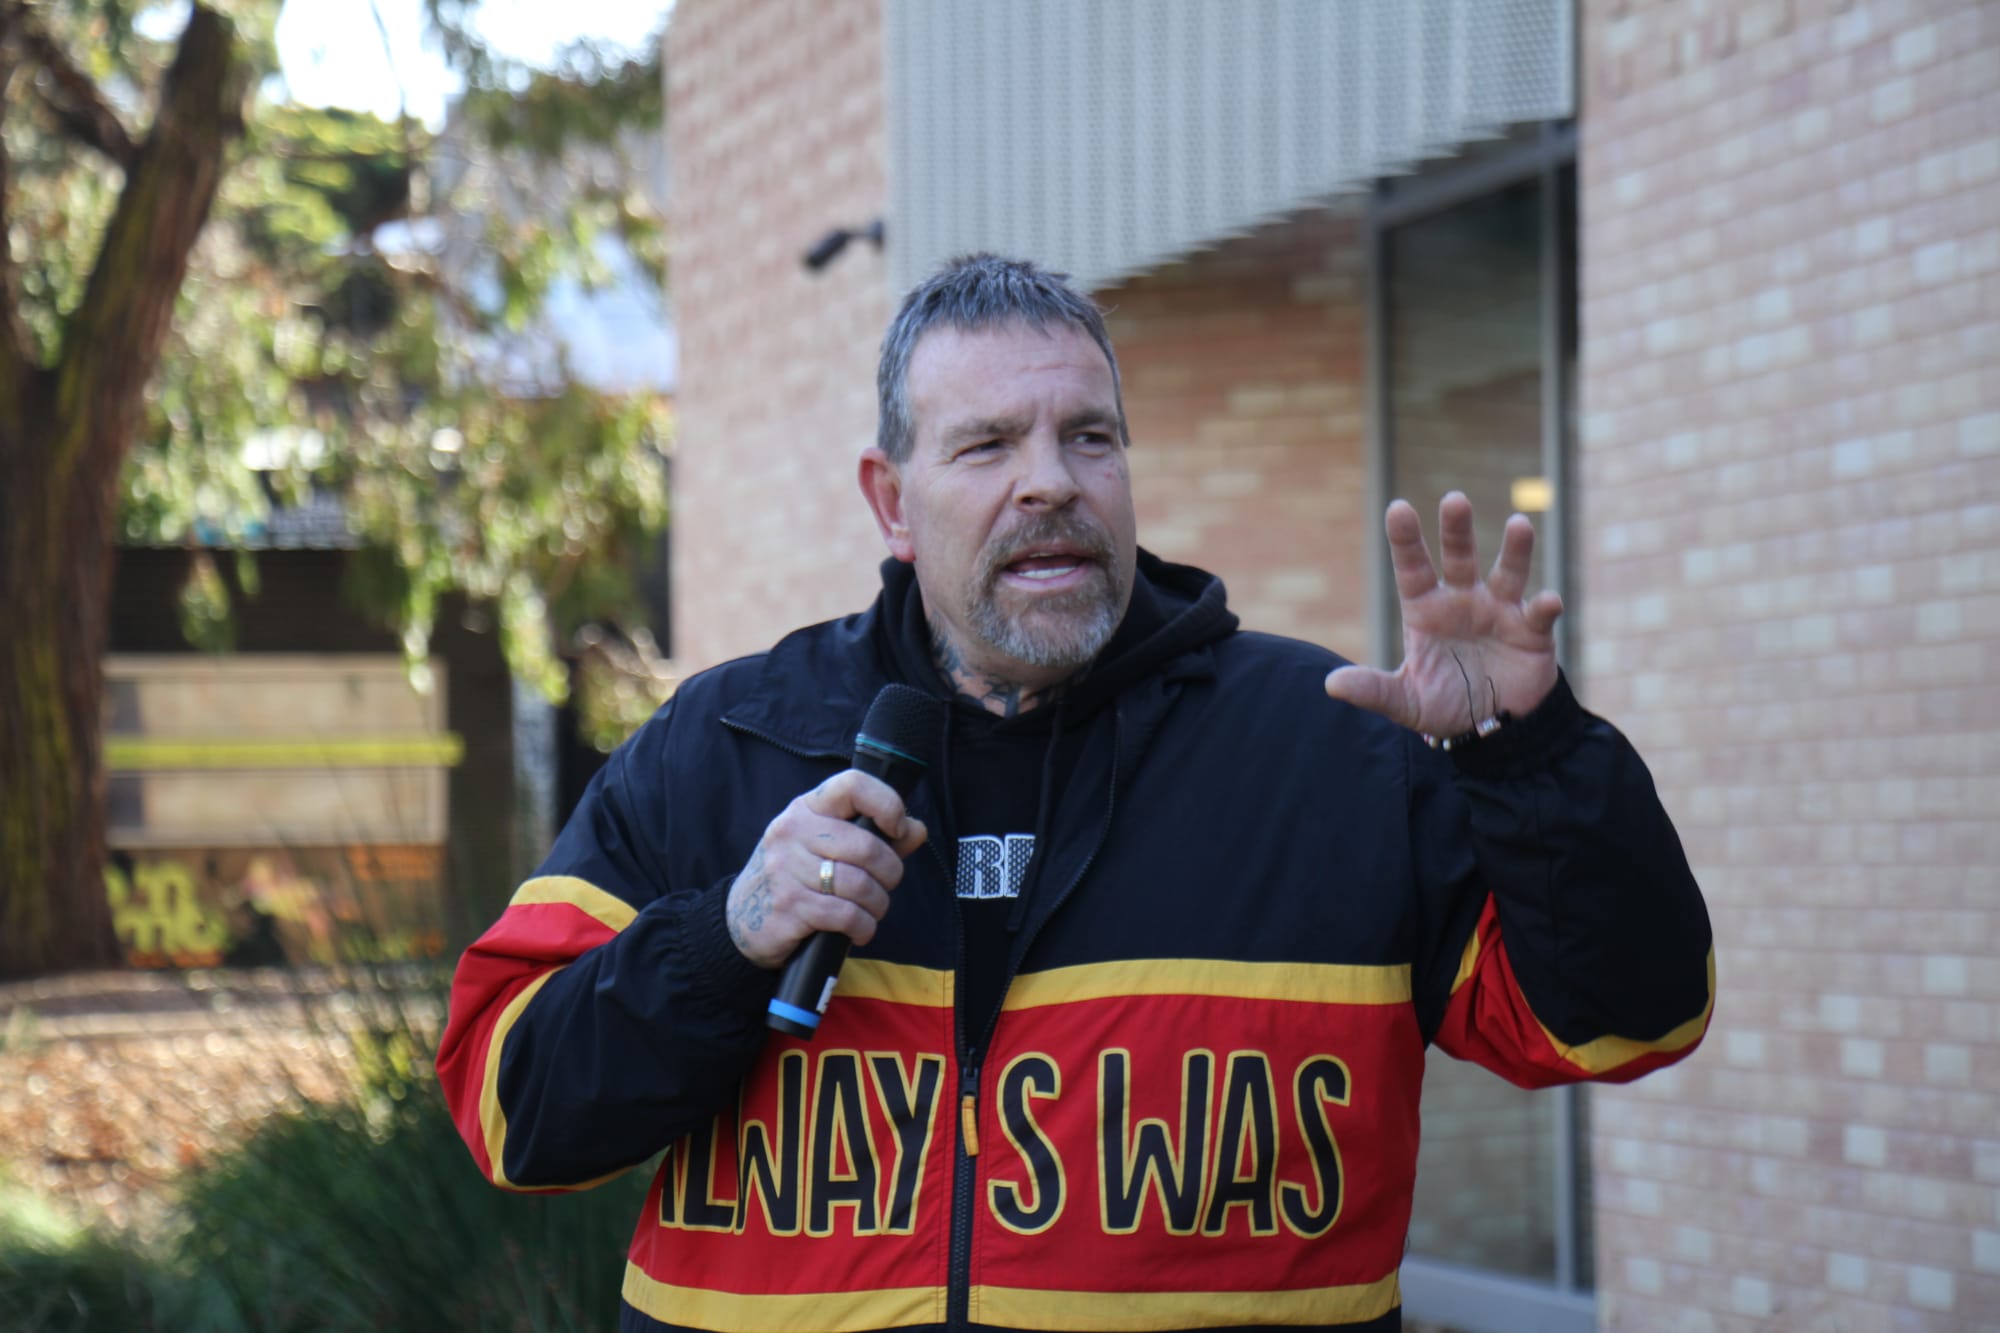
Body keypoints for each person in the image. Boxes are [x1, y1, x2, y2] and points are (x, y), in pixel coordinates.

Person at [438, 255, 1713, 1333]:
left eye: (1086, 437)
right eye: (987, 444)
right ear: (891, 501)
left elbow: (1624, 1022)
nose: (1048, 480)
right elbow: (510, 1104)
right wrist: (725, 936)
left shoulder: (1331, 751)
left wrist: (1524, 752)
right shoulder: (723, 744)